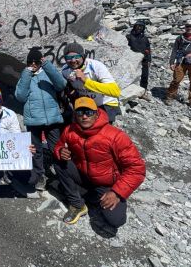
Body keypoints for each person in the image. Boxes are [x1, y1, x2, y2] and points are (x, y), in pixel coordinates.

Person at [54, 97, 145, 234]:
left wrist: (117, 192)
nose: (84, 116)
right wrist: (60, 151)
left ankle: (90, 195)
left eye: (89, 112)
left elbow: (136, 169)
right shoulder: (70, 130)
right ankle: (78, 204)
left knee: (116, 220)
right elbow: (59, 146)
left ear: (97, 114)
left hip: (107, 184)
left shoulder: (115, 136)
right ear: (75, 115)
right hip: (83, 176)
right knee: (59, 162)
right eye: (80, 112)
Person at [15, 48, 66, 191]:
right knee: (36, 151)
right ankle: (39, 177)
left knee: (56, 149)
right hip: (33, 120)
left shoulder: (47, 73)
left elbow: (61, 84)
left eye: (36, 61)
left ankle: (62, 177)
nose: (33, 64)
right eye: (30, 62)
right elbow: (20, 96)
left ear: (40, 61)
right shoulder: (25, 76)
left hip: (52, 119)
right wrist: (26, 74)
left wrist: (47, 65)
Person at [0, 87, 36, 199]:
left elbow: (17, 136)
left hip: (9, 148)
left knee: (31, 177)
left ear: (0, 102)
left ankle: (11, 177)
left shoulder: (10, 114)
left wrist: (25, 148)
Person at [61, 42, 121, 124]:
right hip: (86, 105)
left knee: (103, 130)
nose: (73, 60)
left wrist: (85, 80)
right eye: (69, 57)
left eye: (77, 57)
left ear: (83, 56)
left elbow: (115, 91)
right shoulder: (65, 70)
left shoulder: (95, 66)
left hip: (106, 104)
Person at [126, 21, 152, 95]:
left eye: (141, 27)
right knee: (131, 75)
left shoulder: (145, 38)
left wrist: (149, 60)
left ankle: (143, 92)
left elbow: (148, 49)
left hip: (144, 60)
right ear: (134, 27)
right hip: (132, 60)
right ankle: (130, 91)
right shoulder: (129, 37)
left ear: (143, 28)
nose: (139, 28)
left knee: (144, 76)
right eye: (138, 26)